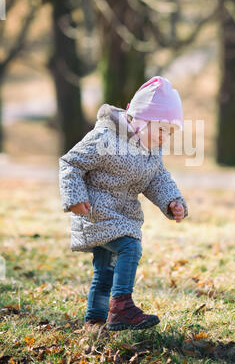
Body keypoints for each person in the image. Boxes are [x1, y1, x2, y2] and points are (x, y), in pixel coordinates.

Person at [58, 76, 189, 332]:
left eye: (170, 132)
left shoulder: (150, 150)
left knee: (105, 271)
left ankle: (94, 322)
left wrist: (173, 201)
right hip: (95, 212)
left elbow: (157, 178)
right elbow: (70, 163)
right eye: (161, 129)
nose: (165, 137)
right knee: (130, 247)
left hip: (121, 215)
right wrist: (75, 198)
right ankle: (121, 307)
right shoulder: (106, 137)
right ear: (139, 120)